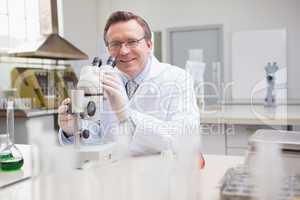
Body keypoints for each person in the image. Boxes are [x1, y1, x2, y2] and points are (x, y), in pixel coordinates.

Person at [58, 11, 200, 156]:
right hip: (114, 172)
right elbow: (99, 135)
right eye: (115, 44)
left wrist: (125, 113)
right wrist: (72, 130)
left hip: (159, 173)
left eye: (132, 42)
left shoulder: (178, 78)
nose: (124, 51)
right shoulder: (103, 80)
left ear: (149, 45)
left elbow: (183, 138)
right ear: (108, 49)